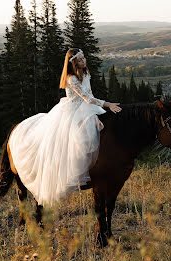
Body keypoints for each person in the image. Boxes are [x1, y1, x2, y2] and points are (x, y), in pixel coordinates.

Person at [8, 48, 121, 207]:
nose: (84, 61)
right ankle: (73, 172)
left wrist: (96, 112)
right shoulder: (71, 79)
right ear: (74, 63)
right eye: (80, 59)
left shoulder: (86, 73)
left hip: (87, 107)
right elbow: (86, 98)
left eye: (84, 57)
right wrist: (107, 105)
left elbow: (91, 95)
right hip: (73, 111)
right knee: (77, 138)